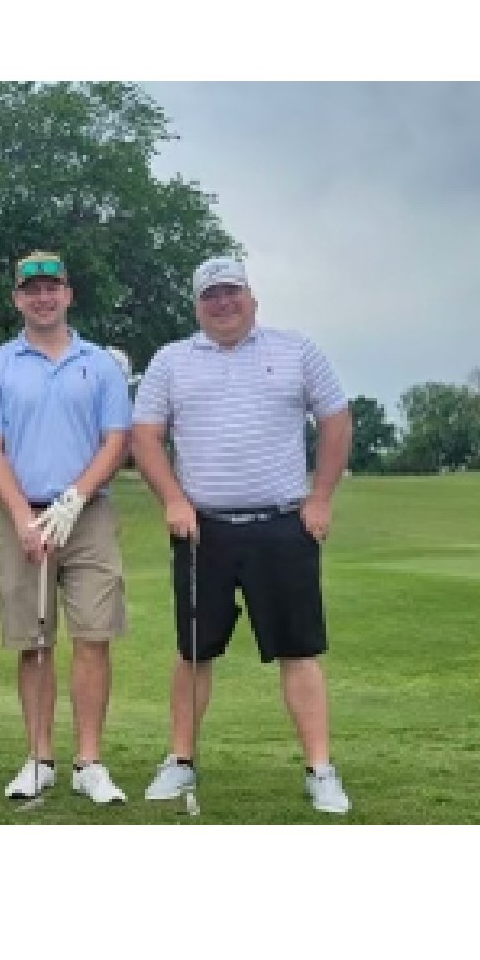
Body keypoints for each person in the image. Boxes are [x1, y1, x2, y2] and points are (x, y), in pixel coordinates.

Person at [131, 255, 354, 814]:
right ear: (197, 306)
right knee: (193, 651)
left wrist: (321, 496)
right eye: (211, 296)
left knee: (299, 651)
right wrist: (175, 500)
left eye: (232, 292)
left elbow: (336, 419)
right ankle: (180, 762)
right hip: (202, 529)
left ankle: (320, 769)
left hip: (282, 522)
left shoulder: (297, 350)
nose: (223, 303)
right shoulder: (172, 361)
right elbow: (145, 436)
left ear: (251, 298)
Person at [0, 250, 133, 805]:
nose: (42, 297)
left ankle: (89, 760)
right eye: (31, 289)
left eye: (52, 287)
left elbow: (117, 440)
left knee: (93, 636)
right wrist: (21, 518)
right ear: (18, 298)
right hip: (23, 515)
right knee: (32, 643)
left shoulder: (101, 363)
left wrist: (74, 500)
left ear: (67, 294)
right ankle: (38, 757)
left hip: (88, 516)